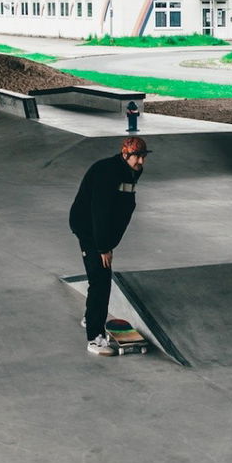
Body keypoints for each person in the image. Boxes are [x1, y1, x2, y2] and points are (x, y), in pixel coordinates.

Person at [68, 136, 149, 356]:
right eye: (137, 157)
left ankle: (90, 315)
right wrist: (103, 247)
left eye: (143, 157)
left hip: (101, 231)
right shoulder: (107, 172)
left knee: (99, 277)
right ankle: (94, 337)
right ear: (125, 154)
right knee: (101, 279)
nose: (141, 161)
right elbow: (100, 211)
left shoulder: (131, 171)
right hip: (88, 228)